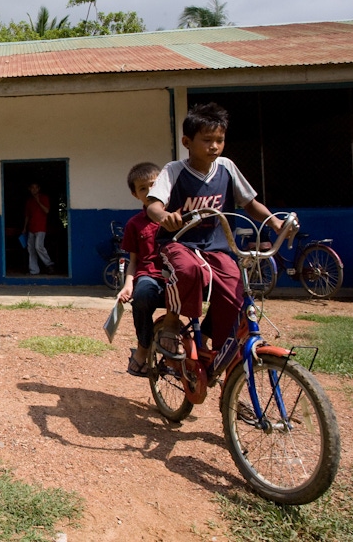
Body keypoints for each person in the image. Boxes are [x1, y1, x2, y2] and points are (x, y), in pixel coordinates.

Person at [146, 102, 283, 358]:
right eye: (207, 140)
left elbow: (250, 203)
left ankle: (211, 342)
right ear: (187, 141)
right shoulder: (174, 171)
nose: (214, 146)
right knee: (188, 270)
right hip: (179, 243)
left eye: (219, 140)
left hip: (217, 247)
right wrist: (165, 216)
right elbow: (153, 206)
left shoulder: (227, 168)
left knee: (234, 287)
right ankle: (172, 321)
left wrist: (273, 221)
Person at [116, 162, 166, 377]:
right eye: (143, 188)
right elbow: (134, 261)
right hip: (149, 275)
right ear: (135, 194)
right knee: (142, 295)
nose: (149, 192)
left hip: (177, 274)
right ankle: (143, 348)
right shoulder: (135, 224)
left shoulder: (175, 216)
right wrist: (128, 284)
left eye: (153, 186)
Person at [22, 182, 55, 275]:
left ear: (39, 189)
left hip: (41, 228)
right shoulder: (29, 201)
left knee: (38, 247)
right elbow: (27, 216)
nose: (34, 190)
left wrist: (38, 201)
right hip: (31, 228)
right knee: (31, 249)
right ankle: (34, 270)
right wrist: (25, 227)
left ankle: (49, 264)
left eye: (36, 188)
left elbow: (47, 211)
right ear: (29, 189)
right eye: (32, 188)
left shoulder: (44, 198)